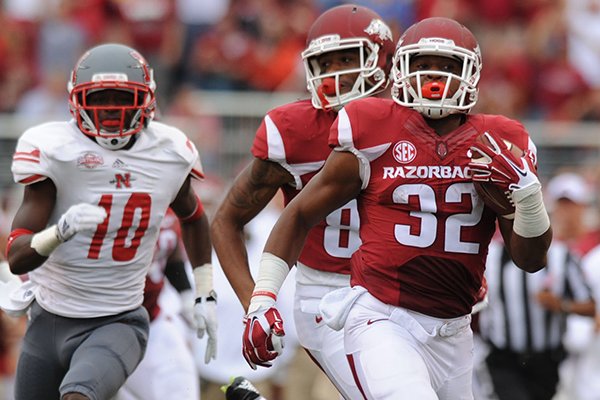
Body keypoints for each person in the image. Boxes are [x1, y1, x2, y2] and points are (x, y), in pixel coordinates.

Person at [243, 17, 553, 400]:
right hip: (382, 318)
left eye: (448, 66)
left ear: (471, 74)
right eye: (423, 65)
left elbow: (531, 260)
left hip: (454, 329)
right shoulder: (372, 127)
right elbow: (300, 213)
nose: (434, 77)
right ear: (402, 69)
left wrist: (528, 199)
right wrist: (263, 298)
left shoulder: (499, 140)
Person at [3, 43, 217, 400]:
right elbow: (16, 254)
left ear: (147, 101)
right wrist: (59, 233)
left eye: (121, 97)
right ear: (77, 101)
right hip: (48, 320)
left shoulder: (169, 151)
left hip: (117, 319)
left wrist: (204, 293)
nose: (111, 110)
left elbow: (194, 217)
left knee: (79, 396)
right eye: (100, 98)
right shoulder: (55, 149)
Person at [210, 4, 394, 399]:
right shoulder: (292, 131)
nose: (336, 73)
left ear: (383, 61)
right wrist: (255, 304)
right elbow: (225, 220)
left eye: (348, 58)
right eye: (326, 63)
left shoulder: (411, 124)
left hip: (401, 292)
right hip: (324, 294)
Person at [115, 209, 200, 400]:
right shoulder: (119, 205)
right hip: (105, 326)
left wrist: (186, 295)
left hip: (152, 320)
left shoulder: (167, 204)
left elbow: (171, 253)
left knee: (180, 390)